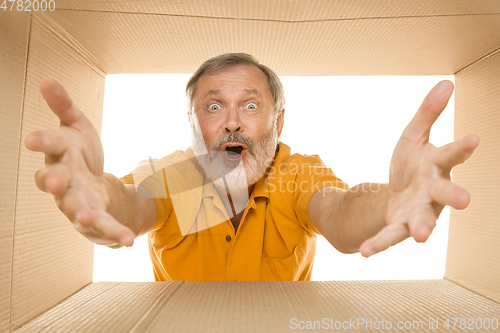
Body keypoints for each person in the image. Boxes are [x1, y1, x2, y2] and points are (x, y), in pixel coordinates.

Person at [25, 53, 479, 281]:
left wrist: (391, 202)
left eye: (250, 105)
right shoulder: (181, 177)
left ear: (278, 122)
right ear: (193, 122)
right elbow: (132, 205)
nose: (233, 123)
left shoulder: (294, 173)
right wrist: (95, 191)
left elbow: (339, 213)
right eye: (215, 106)